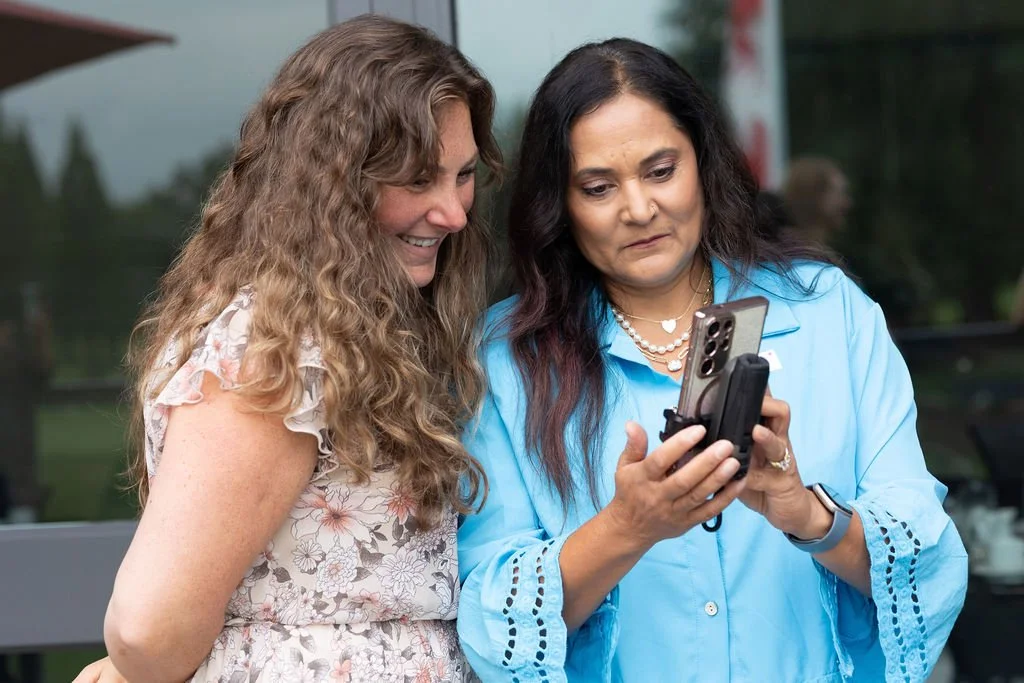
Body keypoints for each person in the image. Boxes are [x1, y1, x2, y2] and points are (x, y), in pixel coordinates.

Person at [456, 38, 967, 682]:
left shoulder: (828, 312)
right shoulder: (505, 358)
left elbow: (928, 568)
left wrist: (805, 513)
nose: (639, 208)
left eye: (661, 170)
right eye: (597, 186)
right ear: (558, 203)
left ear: (704, 161)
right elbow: (490, 619)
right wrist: (628, 527)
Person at [73, 14, 500, 683]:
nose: (452, 211)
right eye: (418, 179)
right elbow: (148, 628)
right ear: (335, 181)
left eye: (463, 175)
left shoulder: (352, 327)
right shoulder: (278, 349)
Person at [782, 155, 852, 247]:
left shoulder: (787, 250)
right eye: (839, 194)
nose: (847, 203)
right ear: (814, 195)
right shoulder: (797, 253)